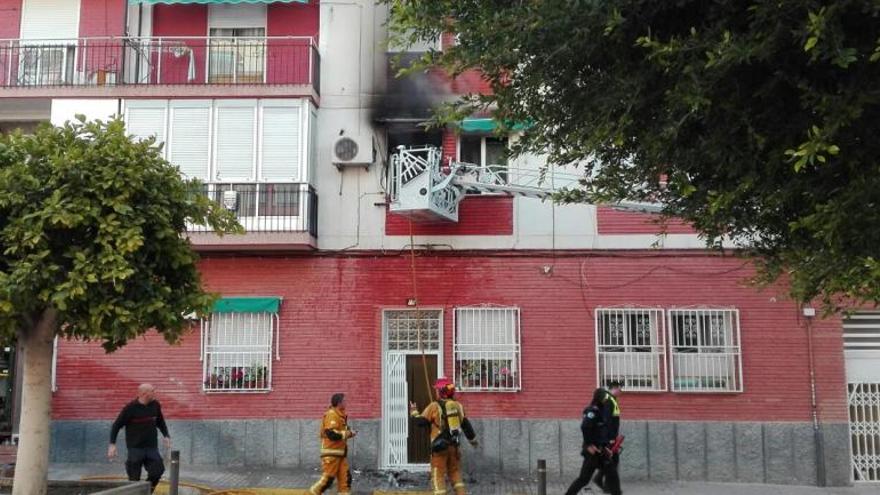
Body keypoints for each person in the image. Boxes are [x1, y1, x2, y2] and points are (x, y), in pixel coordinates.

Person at [409, 378, 478, 495]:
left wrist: (414, 412)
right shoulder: (458, 406)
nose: (435, 392)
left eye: (437, 390)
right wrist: (473, 441)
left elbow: (421, 422)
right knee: (455, 474)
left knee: (438, 476)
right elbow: (467, 426)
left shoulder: (434, 406)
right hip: (454, 447)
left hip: (439, 448)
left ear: (441, 392)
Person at [108, 383, 171, 491]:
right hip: (135, 448)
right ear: (144, 393)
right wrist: (112, 444)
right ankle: (136, 492)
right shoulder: (130, 408)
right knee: (134, 479)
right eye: (152, 391)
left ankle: (146, 491)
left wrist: (166, 435)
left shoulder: (155, 405)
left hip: (151, 448)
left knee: (158, 471)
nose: (155, 393)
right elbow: (116, 425)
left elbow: (160, 421)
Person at [563, 388, 620, 495]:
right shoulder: (593, 410)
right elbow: (585, 426)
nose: (607, 400)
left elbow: (601, 431)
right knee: (584, 479)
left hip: (602, 451)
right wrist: (589, 444)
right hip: (593, 452)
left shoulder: (603, 410)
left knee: (612, 475)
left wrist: (607, 445)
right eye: (605, 398)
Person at [309, 393, 356, 495]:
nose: (346, 403)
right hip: (331, 455)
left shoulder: (340, 415)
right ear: (339, 403)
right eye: (345, 401)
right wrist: (348, 433)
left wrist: (350, 432)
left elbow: (342, 430)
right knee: (327, 481)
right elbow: (332, 434)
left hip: (340, 455)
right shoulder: (332, 414)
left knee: (346, 480)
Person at [594, 380, 623, 493]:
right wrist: (609, 439)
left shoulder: (613, 400)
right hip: (609, 438)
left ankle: (602, 481)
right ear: (614, 388)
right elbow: (606, 421)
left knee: (611, 461)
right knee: (612, 461)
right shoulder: (609, 401)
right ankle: (606, 485)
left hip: (612, 436)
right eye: (620, 389)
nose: (621, 391)